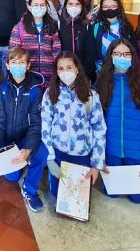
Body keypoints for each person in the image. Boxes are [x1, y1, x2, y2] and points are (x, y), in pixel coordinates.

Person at [97, 39, 140, 203]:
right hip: (110, 153)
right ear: (110, 57)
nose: (122, 58)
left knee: (138, 199)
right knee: (110, 195)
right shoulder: (102, 84)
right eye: (117, 54)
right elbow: (95, 124)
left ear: (133, 57)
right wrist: (98, 157)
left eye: (126, 54)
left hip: (137, 154)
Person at [0, 47, 48, 212]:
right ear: (7, 65)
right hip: (8, 140)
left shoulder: (35, 90)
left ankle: (30, 190)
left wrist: (27, 148)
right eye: (13, 62)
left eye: (21, 62)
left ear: (28, 65)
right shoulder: (2, 88)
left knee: (42, 152)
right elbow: (1, 121)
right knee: (12, 177)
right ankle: (18, 163)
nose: (17, 66)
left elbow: (36, 124)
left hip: (25, 138)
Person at [41, 52, 106, 197]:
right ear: (56, 72)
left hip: (82, 155)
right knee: (57, 195)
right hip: (58, 153)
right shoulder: (50, 93)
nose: (65, 72)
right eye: (61, 69)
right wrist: (50, 157)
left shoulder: (90, 96)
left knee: (77, 198)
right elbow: (45, 127)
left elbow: (99, 129)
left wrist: (96, 164)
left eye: (69, 67)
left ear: (77, 68)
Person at [9, 0, 61, 85]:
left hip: (49, 78)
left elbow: (57, 52)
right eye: (35, 5)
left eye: (42, 5)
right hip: (27, 78)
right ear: (29, 7)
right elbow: (13, 53)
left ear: (46, 7)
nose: (39, 8)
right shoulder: (19, 28)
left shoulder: (52, 27)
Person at [84, 0, 135, 79]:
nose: (109, 9)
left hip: (123, 71)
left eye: (113, 6)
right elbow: (90, 52)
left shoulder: (127, 27)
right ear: (101, 8)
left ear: (119, 7)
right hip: (100, 72)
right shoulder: (95, 26)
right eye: (105, 7)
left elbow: (133, 49)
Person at [57, 0, 89, 65]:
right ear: (66, 5)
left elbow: (90, 51)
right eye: (70, 4)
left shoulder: (87, 25)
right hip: (63, 67)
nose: (74, 7)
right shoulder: (58, 24)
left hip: (82, 68)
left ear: (82, 6)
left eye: (77, 4)